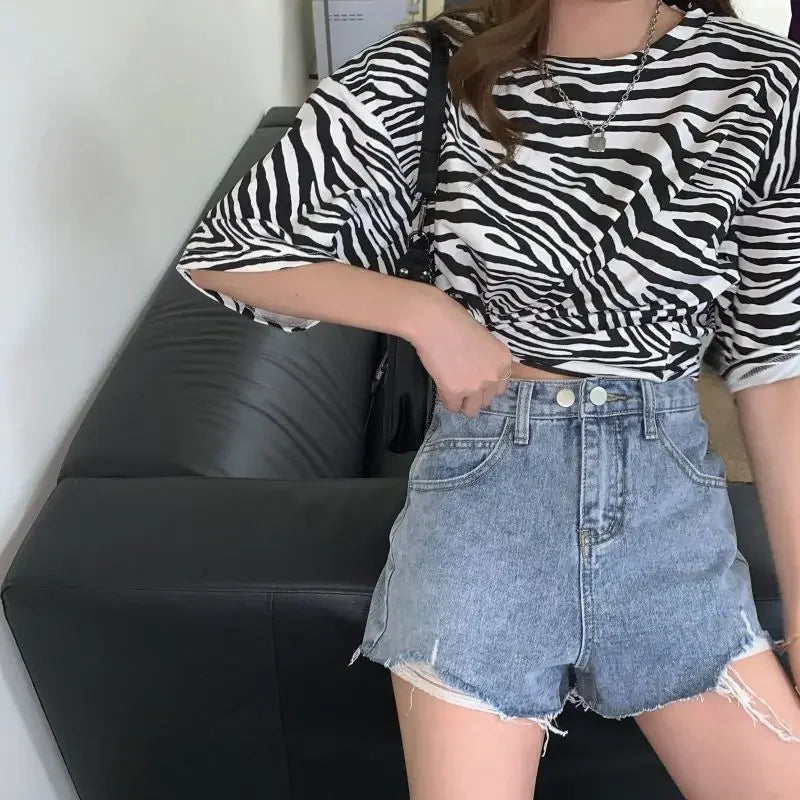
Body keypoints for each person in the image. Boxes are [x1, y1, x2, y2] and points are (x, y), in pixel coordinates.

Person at [176, 1, 800, 796]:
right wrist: (426, 313)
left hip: (669, 525)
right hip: (482, 517)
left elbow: (777, 366)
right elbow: (229, 250)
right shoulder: (431, 67)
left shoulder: (762, 81)